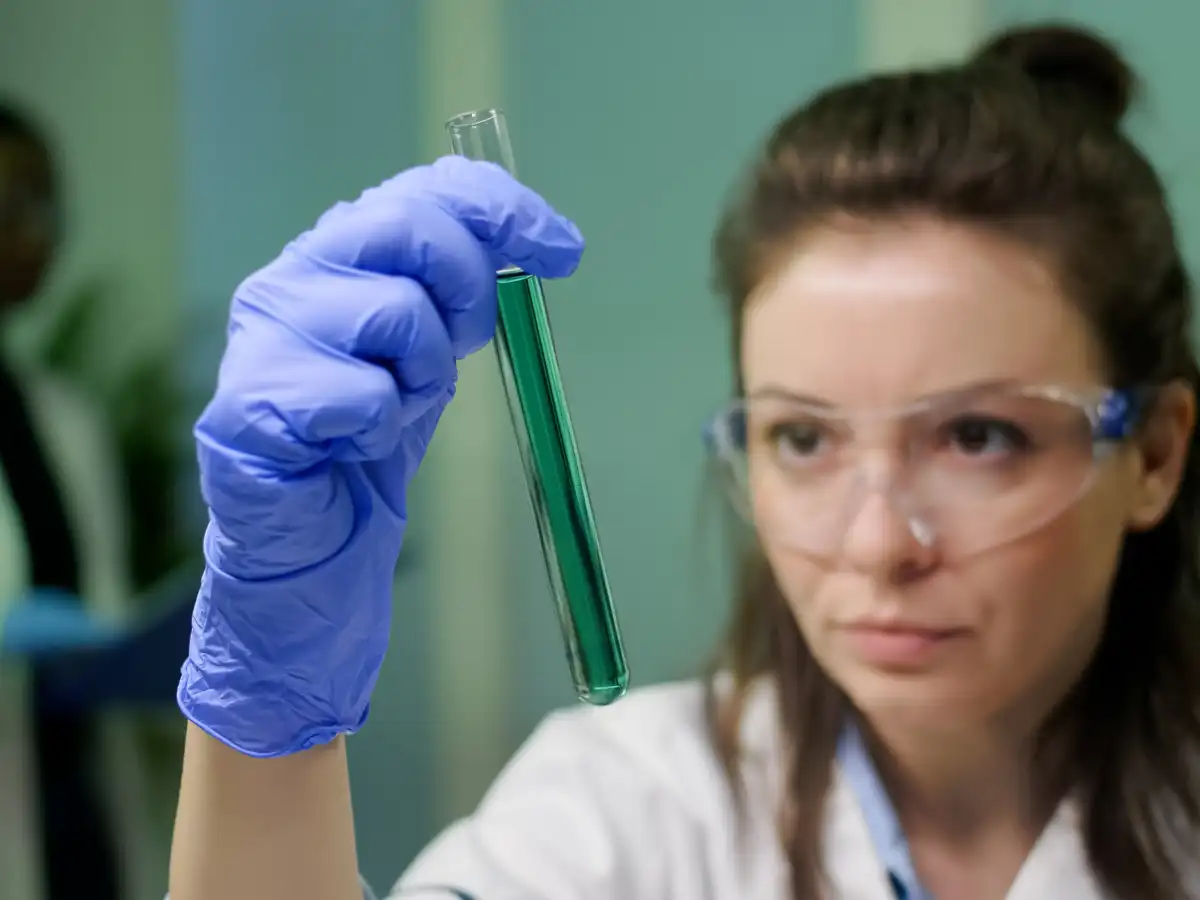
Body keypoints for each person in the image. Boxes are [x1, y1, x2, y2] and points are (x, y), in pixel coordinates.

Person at [168, 22, 1200, 900]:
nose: (879, 545)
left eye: (979, 436)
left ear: (1154, 453)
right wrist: (270, 719)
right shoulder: (632, 810)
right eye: (803, 437)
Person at [0, 101, 162, 900]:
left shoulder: (68, 421)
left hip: (76, 805)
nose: (43, 234)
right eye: (15, 206)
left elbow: (100, 604)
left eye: (50, 206)